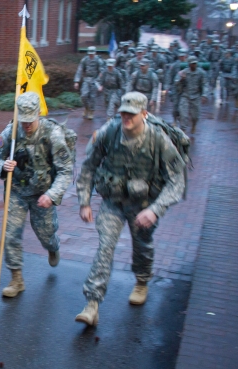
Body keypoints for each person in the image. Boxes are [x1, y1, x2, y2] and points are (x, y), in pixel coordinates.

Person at [75, 92, 185, 326]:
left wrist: (155, 209)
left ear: (144, 114)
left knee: (142, 246)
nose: (126, 117)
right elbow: (88, 168)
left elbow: (177, 181)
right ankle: (92, 304)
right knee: (105, 247)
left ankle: (142, 280)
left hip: (144, 206)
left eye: (132, 114)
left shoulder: (158, 140)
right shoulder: (109, 132)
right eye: (124, 112)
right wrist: (84, 201)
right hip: (113, 202)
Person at [0, 91, 73, 298]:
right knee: (10, 234)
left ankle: (53, 247)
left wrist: (52, 195)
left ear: (38, 114)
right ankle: (16, 278)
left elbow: (65, 170)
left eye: (30, 120)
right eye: (23, 120)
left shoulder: (52, 133)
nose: (26, 125)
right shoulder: (11, 131)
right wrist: (3, 165)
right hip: (17, 191)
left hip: (42, 193)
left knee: (45, 233)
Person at [174, 56, 209, 133]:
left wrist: (204, 95)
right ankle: (183, 131)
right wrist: (181, 79)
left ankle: (194, 125)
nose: (194, 65)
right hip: (185, 95)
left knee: (195, 116)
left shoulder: (201, 73)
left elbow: (205, 84)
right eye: (192, 64)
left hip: (196, 96)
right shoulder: (184, 72)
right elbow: (176, 83)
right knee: (183, 114)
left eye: (195, 63)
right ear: (189, 64)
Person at [74, 46, 104, 120]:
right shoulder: (85, 60)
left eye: (92, 54)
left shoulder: (98, 60)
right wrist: (76, 81)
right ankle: (87, 108)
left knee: (92, 97)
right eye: (90, 54)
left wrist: (99, 82)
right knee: (84, 95)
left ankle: (91, 111)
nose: (91, 55)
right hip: (86, 79)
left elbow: (102, 71)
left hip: (95, 80)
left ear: (95, 53)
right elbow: (80, 70)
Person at [165, 49, 188, 126]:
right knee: (175, 106)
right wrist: (168, 86)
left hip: (185, 89)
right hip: (176, 88)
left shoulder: (188, 65)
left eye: (183, 56)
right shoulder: (175, 65)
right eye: (181, 56)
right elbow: (169, 75)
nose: (182, 58)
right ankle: (174, 119)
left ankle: (182, 121)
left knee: (183, 107)